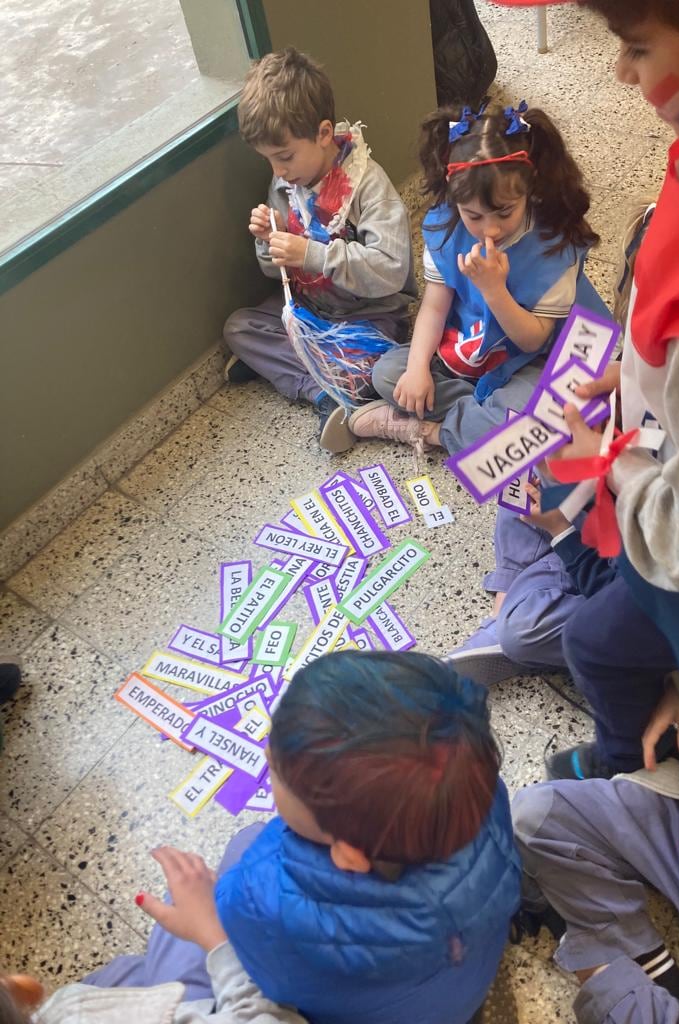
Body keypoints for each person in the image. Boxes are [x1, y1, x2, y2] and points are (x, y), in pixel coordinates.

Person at [496, 0, 679, 781]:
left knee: (592, 644)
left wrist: (609, 463)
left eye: (638, 46)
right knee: (565, 518)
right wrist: (640, 374)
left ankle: (631, 768)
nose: (619, 69)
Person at [215, 650, 522, 1024]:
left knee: (240, 845)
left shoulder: (259, 898)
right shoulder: (479, 792)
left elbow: (273, 983)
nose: (266, 753)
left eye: (278, 770)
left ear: (350, 855)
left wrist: (211, 937)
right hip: (464, 991)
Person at [347, 100, 607, 455]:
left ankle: (430, 431)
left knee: (537, 414)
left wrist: (494, 290)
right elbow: (435, 309)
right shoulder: (445, 225)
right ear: (455, 200)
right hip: (471, 353)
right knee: (390, 374)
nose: (491, 228)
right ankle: (485, 420)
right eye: (473, 216)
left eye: (504, 212)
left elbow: (533, 341)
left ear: (528, 191)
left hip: (533, 361)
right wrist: (419, 368)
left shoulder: (554, 246)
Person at [510, 701, 679, 1022]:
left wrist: (601, 975)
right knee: (537, 814)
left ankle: (631, 966)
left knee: (606, 985)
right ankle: (643, 967)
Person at [222, 47, 417, 453]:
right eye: (269, 160)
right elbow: (278, 275)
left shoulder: (367, 185)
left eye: (285, 156)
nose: (277, 170)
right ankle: (322, 390)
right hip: (314, 309)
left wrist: (309, 252)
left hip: (369, 315)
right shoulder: (285, 184)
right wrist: (268, 241)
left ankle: (303, 374)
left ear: (324, 134)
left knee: (378, 370)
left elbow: (391, 270)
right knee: (239, 328)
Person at [0, 844, 306, 1024]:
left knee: (126, 969)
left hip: (137, 1002)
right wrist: (215, 936)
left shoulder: (64, 1007)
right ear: (21, 989)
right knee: (251, 850)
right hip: (217, 1007)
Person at [448, 478, 615, 685]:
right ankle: (502, 608)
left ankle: (521, 637)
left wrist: (561, 531)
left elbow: (614, 594)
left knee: (521, 633)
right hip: (593, 533)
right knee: (521, 473)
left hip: (618, 587)